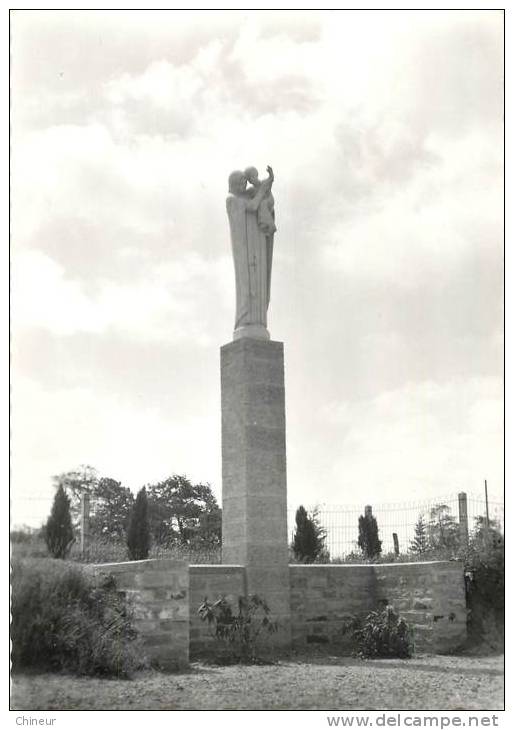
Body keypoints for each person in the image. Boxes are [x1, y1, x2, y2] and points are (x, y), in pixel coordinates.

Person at [226, 166, 275, 339]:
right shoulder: (232, 200)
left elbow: (263, 203)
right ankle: (245, 319)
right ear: (233, 184)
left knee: (258, 283)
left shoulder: (246, 196)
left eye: (245, 182)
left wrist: (263, 188)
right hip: (244, 250)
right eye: (241, 183)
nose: (244, 186)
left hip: (257, 246)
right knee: (247, 285)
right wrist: (262, 190)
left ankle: (258, 320)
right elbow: (253, 206)